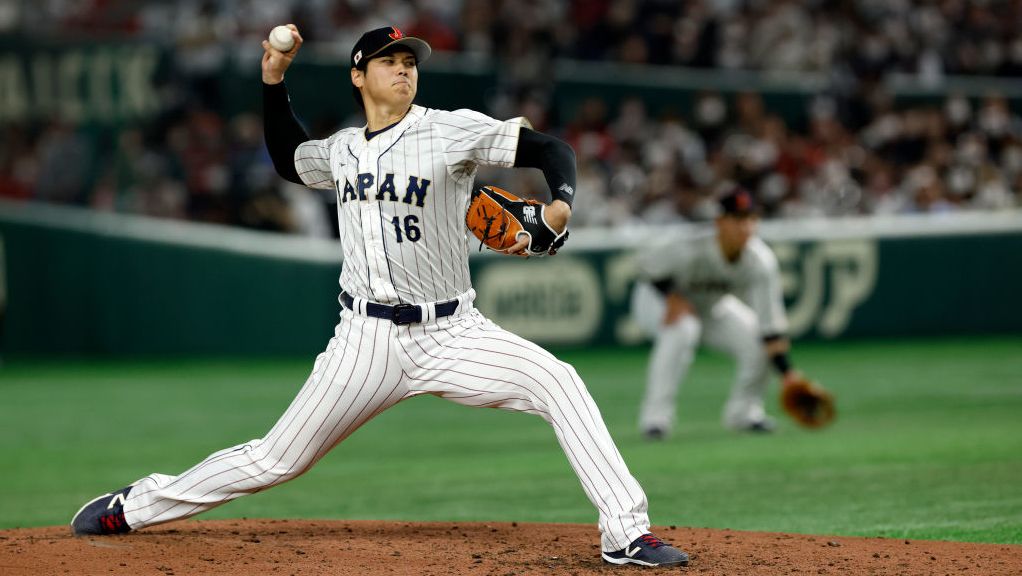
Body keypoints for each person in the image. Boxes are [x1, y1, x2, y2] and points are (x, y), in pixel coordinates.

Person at [70, 24, 689, 568]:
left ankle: (627, 533)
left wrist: (559, 203)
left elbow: (553, 149)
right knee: (275, 460)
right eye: (391, 61)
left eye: (411, 62)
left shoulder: (449, 132)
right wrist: (272, 80)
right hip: (365, 341)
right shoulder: (342, 149)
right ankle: (137, 505)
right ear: (359, 75)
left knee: (560, 382)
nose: (404, 70)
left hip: (453, 332)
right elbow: (290, 159)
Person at [631, 186, 801, 439]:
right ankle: (655, 419)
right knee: (683, 330)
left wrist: (788, 374)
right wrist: (671, 296)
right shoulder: (690, 246)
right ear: (720, 222)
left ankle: (744, 413)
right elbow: (644, 266)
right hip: (656, 300)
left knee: (756, 341)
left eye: (751, 218)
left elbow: (771, 327)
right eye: (738, 219)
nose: (745, 226)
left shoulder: (761, 260)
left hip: (709, 306)